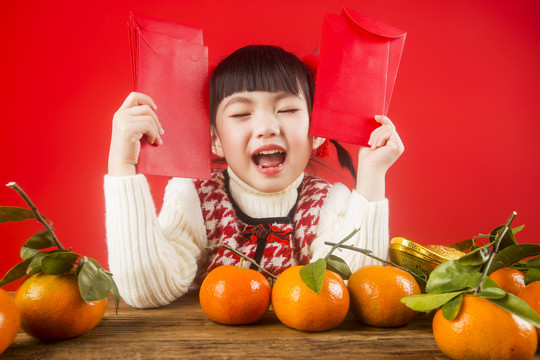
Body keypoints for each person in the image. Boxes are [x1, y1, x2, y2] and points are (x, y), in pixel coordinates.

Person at [105, 45, 404, 308]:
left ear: (317, 133)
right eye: (240, 114)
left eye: (287, 109)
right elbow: (145, 291)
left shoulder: (327, 205)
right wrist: (122, 164)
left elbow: (358, 288)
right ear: (215, 140)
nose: (267, 127)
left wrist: (372, 175)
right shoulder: (194, 199)